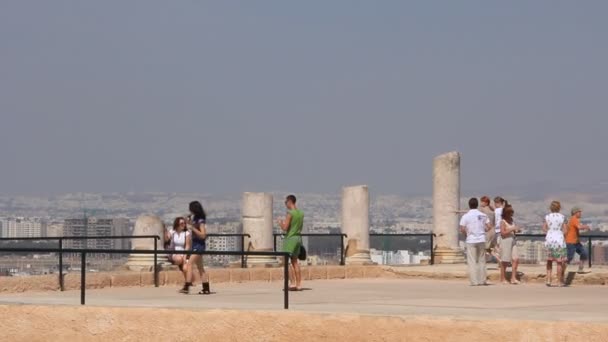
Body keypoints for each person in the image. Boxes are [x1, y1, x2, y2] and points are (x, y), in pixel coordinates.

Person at [459, 197, 493, 286]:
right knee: (482, 260)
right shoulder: (483, 215)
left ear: (469, 205)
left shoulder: (465, 216)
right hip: (481, 239)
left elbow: (462, 228)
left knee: (472, 261)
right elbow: (489, 226)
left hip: (471, 239)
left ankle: (474, 281)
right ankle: (482, 280)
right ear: (477, 205)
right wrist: (483, 230)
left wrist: (467, 234)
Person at [180, 201, 210, 295]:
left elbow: (203, 235)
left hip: (199, 245)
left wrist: (192, 228)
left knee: (189, 264)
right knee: (200, 267)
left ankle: (187, 286)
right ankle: (206, 288)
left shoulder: (200, 220)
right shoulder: (196, 218)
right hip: (195, 244)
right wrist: (189, 222)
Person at [277, 195, 304, 291]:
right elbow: (301, 228)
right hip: (298, 238)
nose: (285, 204)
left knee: (285, 262)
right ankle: (299, 284)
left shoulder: (290, 213)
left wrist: (280, 223)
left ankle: (292, 283)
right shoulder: (301, 213)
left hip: (290, 238)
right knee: (295, 262)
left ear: (289, 201)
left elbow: (285, 228)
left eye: (285, 202)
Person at [543, 201, 568, 287]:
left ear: (550, 208)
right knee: (559, 262)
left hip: (549, 240)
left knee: (549, 260)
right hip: (559, 240)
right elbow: (565, 230)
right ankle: (559, 281)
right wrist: (560, 234)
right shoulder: (562, 217)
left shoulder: (547, 217)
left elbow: (544, 228)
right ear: (559, 208)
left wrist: (550, 232)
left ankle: (548, 280)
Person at [499, 205, 521, 284]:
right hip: (505, 241)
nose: (511, 214)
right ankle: (502, 278)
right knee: (505, 261)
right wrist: (512, 229)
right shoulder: (502, 222)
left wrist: (517, 230)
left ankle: (513, 278)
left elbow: (513, 230)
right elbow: (503, 233)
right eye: (510, 213)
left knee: (516, 259)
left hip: (513, 240)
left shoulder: (512, 220)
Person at [165, 217, 192, 282]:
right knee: (180, 259)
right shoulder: (172, 232)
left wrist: (185, 257)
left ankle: (187, 282)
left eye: (184, 223)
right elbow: (166, 239)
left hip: (183, 254)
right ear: (177, 224)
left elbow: (187, 246)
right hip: (174, 253)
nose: (184, 225)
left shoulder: (186, 233)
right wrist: (165, 230)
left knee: (185, 267)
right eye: (181, 223)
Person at [565, 207, 591, 274]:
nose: (580, 213)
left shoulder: (573, 219)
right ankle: (561, 271)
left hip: (576, 242)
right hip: (571, 242)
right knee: (569, 258)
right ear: (575, 213)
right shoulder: (574, 219)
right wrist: (586, 227)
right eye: (579, 212)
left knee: (584, 253)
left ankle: (580, 269)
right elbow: (579, 227)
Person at [493, 197, 507, 262]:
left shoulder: (496, 211)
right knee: (502, 247)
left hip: (497, 230)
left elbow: (495, 221)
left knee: (496, 247)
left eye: (495, 203)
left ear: (497, 203)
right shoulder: (505, 210)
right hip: (504, 230)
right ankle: (503, 261)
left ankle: (501, 261)